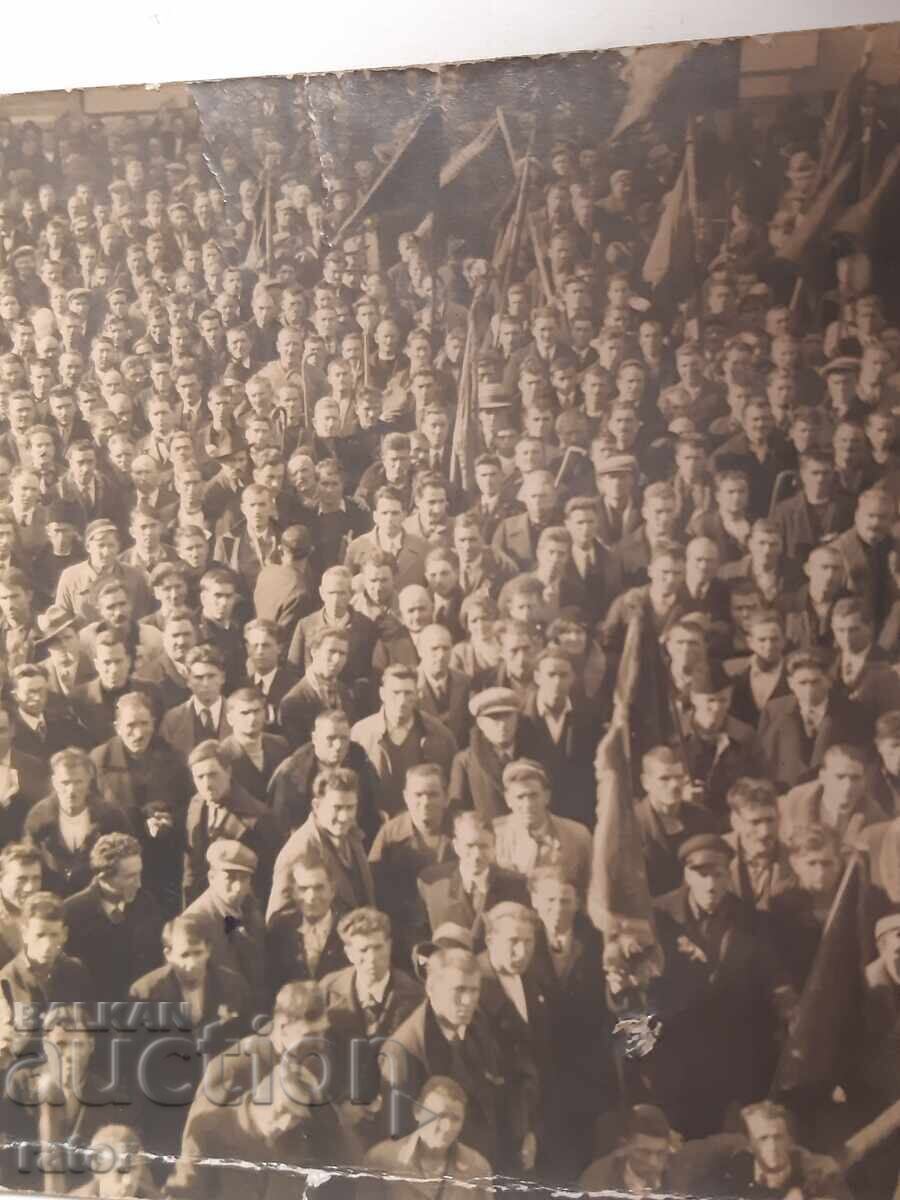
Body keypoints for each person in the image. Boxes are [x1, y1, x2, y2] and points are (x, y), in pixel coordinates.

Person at [361, 1076, 492, 1200]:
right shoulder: (380, 1161)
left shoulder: (477, 1168)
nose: (447, 1127)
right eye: (440, 1115)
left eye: (456, 1119)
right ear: (417, 1111)